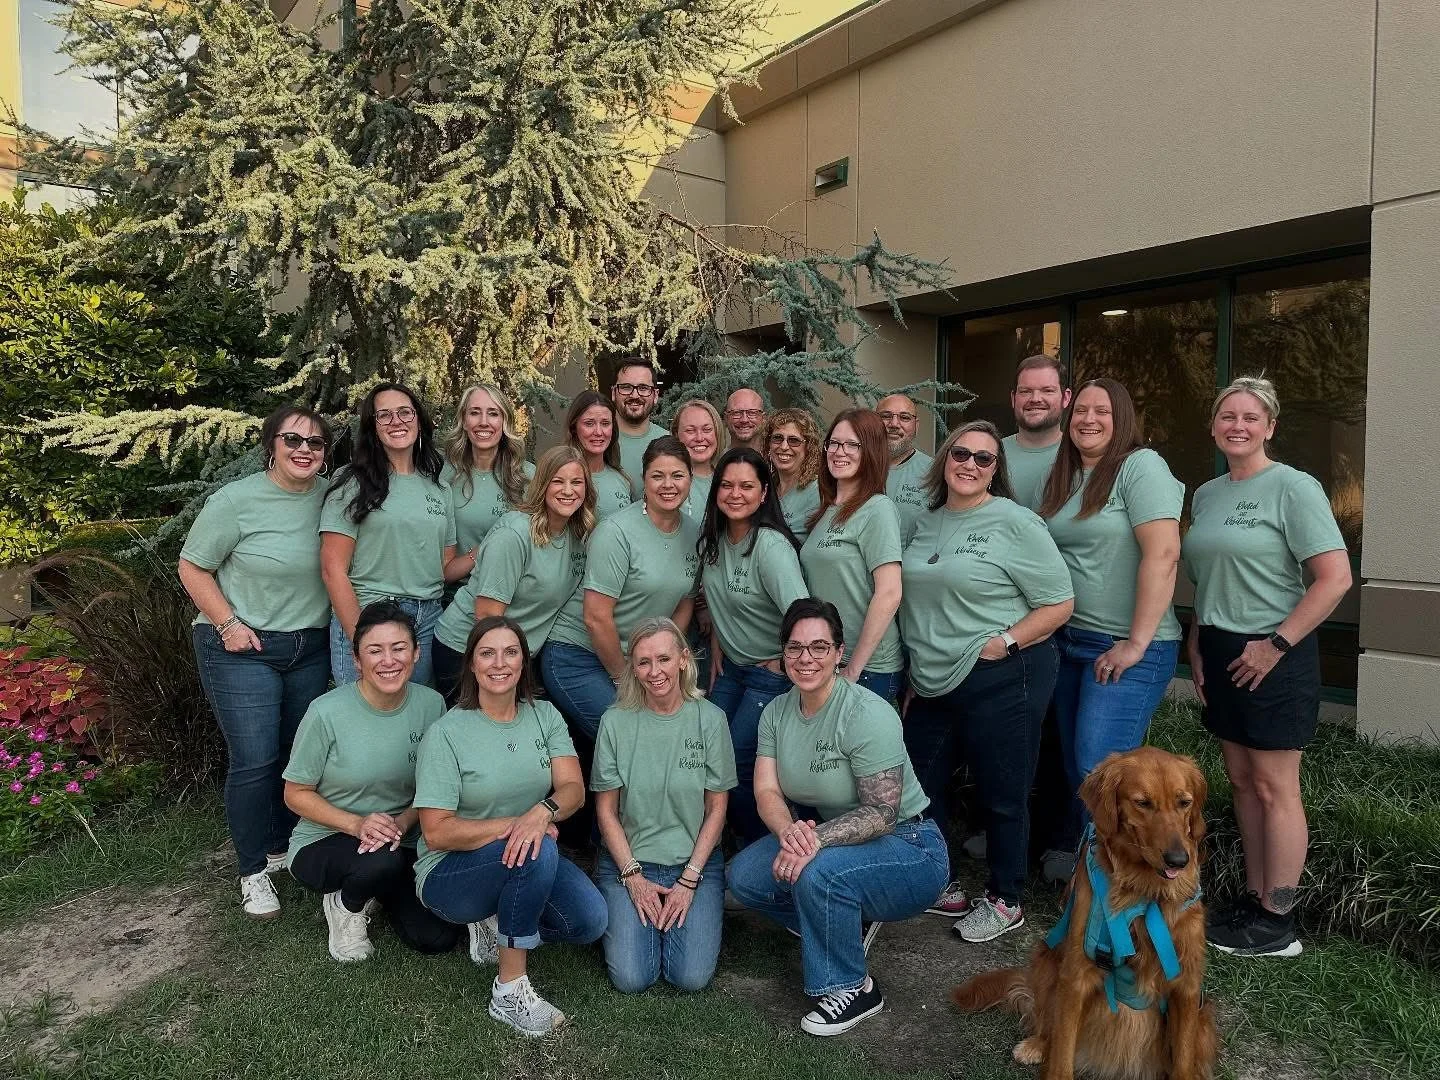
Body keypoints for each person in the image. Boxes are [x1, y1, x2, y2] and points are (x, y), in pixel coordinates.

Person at [1182, 377, 1350, 958]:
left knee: (1276, 787)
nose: (1238, 426)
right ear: (1213, 426)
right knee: (1243, 782)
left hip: (1276, 653)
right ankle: (1255, 900)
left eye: (1251, 417)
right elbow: (1205, 578)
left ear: (1270, 427)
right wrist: (1199, 644)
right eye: (1227, 416)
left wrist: (1274, 645)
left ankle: (1278, 920)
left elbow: (1335, 579)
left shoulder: (1294, 489)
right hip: (1224, 650)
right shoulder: (1205, 495)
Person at [728, 599, 948, 1037]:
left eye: (818, 647)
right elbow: (767, 791)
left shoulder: (866, 712)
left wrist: (813, 843)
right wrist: (790, 832)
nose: (806, 658)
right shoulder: (776, 712)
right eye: (795, 647)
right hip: (830, 838)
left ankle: (854, 986)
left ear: (838, 652)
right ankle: (839, 924)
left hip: (910, 844)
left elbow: (883, 812)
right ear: (783, 652)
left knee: (819, 874)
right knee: (744, 877)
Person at [899, 422, 1074, 942]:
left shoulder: (1015, 523)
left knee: (1004, 789)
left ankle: (1005, 897)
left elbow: (1060, 603)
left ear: (997, 471)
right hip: (932, 678)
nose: (970, 464)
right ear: (944, 459)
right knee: (922, 781)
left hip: (1003, 672)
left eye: (984, 459)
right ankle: (942, 882)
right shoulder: (926, 522)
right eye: (961, 453)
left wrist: (1005, 643)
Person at [414, 616, 607, 1037]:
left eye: (510, 652)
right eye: (487, 653)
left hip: (527, 853)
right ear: (471, 664)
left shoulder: (545, 715)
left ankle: (500, 921)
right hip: (450, 873)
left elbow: (573, 787)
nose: (499, 663)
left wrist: (544, 812)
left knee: (590, 921)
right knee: (535, 848)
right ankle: (509, 990)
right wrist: (520, 825)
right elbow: (436, 832)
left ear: (523, 662)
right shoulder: (447, 733)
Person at [180, 406, 335, 918]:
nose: (304, 450)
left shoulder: (331, 498)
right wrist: (227, 624)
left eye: (315, 442)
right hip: (240, 647)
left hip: (306, 646)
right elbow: (192, 566)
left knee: (295, 754)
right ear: (271, 444)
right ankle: (252, 870)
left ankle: (282, 846)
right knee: (254, 759)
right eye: (293, 440)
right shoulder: (236, 501)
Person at [1039, 378, 1184, 813]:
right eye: (1081, 410)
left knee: (1101, 772)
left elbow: (1164, 552)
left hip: (1126, 646)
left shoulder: (1140, 466)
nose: (1089, 419)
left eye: (1102, 411)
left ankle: (1130, 880)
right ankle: (1088, 871)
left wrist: (1136, 643)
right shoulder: (1066, 474)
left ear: (1122, 419)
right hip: (1069, 640)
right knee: (1078, 771)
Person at [282, 603, 458, 962]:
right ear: (357, 660)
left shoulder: (433, 705)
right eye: (375, 650)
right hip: (328, 838)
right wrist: (357, 823)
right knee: (380, 863)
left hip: (402, 838)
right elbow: (295, 793)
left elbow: (435, 784)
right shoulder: (325, 712)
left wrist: (404, 822)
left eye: (399, 648)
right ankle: (345, 905)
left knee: (436, 938)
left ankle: (380, 890)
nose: (388, 660)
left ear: (416, 653)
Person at [592, 618, 736, 993]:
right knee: (631, 978)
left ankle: (683, 914)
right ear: (633, 668)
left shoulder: (711, 719)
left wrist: (689, 879)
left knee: (690, 978)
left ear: (684, 660)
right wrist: (633, 877)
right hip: (630, 862)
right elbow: (606, 811)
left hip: (694, 864)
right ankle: (639, 913)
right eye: (643, 662)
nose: (654, 672)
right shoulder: (615, 722)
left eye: (663, 659)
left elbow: (717, 809)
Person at [542, 436, 701, 743]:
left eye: (677, 475)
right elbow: (595, 618)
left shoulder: (694, 533)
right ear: (644, 480)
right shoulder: (615, 533)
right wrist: (626, 679)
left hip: (639, 659)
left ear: (691, 479)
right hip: (577, 655)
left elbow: (684, 602)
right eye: (658, 475)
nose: (668, 484)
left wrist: (662, 658)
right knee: (632, 738)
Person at [699, 447, 809, 844]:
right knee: (704, 750)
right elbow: (716, 600)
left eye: (747, 486)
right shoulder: (713, 540)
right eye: (726, 485)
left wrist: (785, 662)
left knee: (740, 765)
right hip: (732, 668)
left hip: (768, 674)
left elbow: (802, 614)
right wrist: (717, 641)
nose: (735, 493)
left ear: (764, 494)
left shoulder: (771, 547)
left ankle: (760, 850)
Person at [433, 446, 595, 704]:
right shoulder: (514, 534)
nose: (568, 490)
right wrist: (507, 672)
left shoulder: (577, 536)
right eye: (558, 481)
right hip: (468, 652)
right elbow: (487, 616)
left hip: (516, 656)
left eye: (577, 482)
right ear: (542, 484)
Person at [320, 383, 456, 687]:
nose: (397, 421)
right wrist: (362, 637)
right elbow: (333, 570)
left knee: (416, 720)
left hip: (427, 619)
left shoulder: (439, 487)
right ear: (373, 427)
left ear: (419, 420)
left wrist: (483, 551)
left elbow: (444, 567)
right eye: (385, 415)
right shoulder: (351, 482)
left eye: (405, 412)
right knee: (365, 721)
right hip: (370, 612)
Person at [800, 409, 905, 703]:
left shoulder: (877, 509)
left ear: (870, 451)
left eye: (851, 445)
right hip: (830, 661)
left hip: (868, 668)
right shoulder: (827, 511)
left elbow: (890, 592)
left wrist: (854, 668)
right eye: (833, 443)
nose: (838, 452)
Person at [441, 384, 535, 588]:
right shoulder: (444, 475)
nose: (484, 422)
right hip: (456, 592)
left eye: (493, 414)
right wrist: (482, 550)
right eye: (475, 413)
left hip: (513, 591)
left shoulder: (528, 476)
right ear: (464, 421)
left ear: (504, 422)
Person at [1003, 355, 1072, 512]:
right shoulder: (987, 455)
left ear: (1066, 397)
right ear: (1013, 398)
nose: (1035, 399)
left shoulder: (1082, 456)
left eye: (1047, 390)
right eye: (1025, 391)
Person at [563, 389, 634, 520]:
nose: (598, 432)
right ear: (574, 427)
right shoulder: (560, 479)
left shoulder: (622, 479)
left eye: (605, 423)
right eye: (589, 423)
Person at [878, 393, 932, 543]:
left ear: (916, 425)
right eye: (886, 416)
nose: (894, 424)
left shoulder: (934, 473)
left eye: (905, 417)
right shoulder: (855, 467)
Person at [612, 360, 670, 497]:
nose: (634, 395)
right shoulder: (596, 441)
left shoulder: (669, 441)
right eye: (626, 387)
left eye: (643, 388)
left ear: (655, 395)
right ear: (614, 393)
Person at [765, 408, 822, 542]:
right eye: (777, 438)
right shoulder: (766, 486)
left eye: (794, 440)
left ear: (809, 447)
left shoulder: (818, 492)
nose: (784, 446)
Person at [671, 398, 727, 519]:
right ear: (676, 434)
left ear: (717, 432)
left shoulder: (729, 480)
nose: (699, 438)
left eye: (707, 430)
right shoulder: (667, 483)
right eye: (690, 431)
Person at [724, 388, 767, 452]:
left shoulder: (775, 460)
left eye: (752, 413)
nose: (744, 420)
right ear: (726, 418)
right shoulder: (717, 461)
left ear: (763, 418)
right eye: (736, 413)